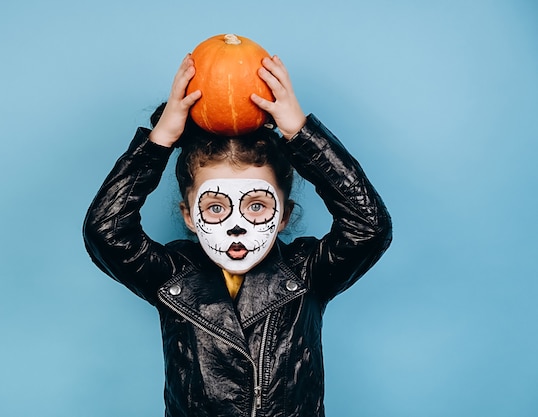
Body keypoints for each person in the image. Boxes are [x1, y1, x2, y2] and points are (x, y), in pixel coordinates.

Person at [83, 53, 392, 417]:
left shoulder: (306, 273)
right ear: (190, 217)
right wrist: (160, 140)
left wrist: (301, 133)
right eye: (215, 207)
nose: (236, 225)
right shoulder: (172, 277)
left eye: (257, 206)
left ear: (284, 216)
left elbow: (369, 226)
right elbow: (106, 230)